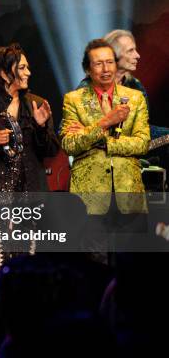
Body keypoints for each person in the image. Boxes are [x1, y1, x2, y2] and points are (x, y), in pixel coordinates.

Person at [60, 39, 150, 256]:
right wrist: (105, 122)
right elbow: (70, 144)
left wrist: (103, 141)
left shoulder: (135, 99)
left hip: (128, 194)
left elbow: (142, 143)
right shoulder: (74, 100)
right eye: (98, 63)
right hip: (89, 198)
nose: (106, 69)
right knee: (93, 268)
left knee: (132, 266)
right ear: (88, 68)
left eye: (109, 62)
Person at [0, 43, 60, 193]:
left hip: (32, 194)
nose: (28, 73)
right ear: (4, 74)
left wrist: (40, 127)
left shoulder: (37, 104)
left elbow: (51, 151)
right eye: (22, 68)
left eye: (27, 67)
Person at [78, 29, 168, 140]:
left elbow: (143, 128)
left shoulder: (135, 86)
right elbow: (70, 132)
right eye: (130, 51)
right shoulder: (87, 88)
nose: (137, 55)